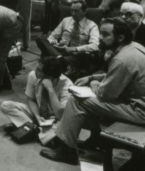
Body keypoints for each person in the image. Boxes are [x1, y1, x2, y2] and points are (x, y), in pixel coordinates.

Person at [40, 18, 145, 165]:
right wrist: (92, 77)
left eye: (106, 34)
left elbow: (106, 94)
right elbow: (120, 76)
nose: (100, 38)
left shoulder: (122, 59)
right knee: (90, 102)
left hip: (139, 111)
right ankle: (95, 140)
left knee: (77, 101)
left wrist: (94, 83)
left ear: (120, 37)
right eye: (101, 33)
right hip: (138, 104)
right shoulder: (134, 47)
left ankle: (67, 151)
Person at [0, 57, 72, 145]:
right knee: (6, 105)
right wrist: (37, 116)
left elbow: (61, 115)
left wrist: (50, 90)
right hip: (39, 115)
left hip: (55, 120)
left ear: (49, 76)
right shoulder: (33, 75)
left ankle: (29, 129)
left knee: (66, 127)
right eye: (37, 68)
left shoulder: (67, 85)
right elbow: (31, 100)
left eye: (39, 70)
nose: (36, 72)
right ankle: (38, 132)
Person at [36, 0, 100, 79]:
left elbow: (95, 46)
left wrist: (74, 49)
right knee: (40, 38)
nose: (73, 14)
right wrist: (55, 42)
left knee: (50, 59)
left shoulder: (92, 26)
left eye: (76, 11)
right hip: (59, 50)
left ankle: (58, 59)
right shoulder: (66, 20)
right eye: (72, 11)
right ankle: (59, 58)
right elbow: (52, 36)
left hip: (75, 55)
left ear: (84, 11)